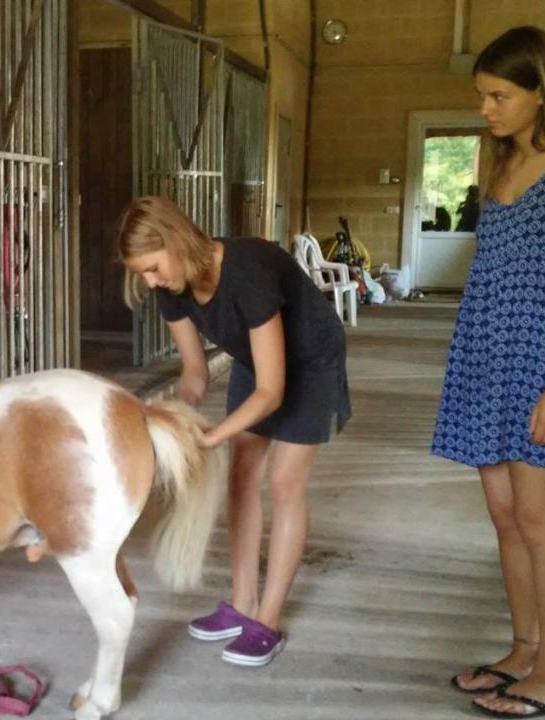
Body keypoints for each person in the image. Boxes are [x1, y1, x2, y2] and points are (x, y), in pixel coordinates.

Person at [432, 26, 545, 718]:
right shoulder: (501, 162)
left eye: (499, 96)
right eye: (483, 95)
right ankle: (523, 650)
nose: (486, 109)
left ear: (542, 93)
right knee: (507, 518)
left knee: (544, 522)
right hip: (487, 357)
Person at [118, 196, 350, 668]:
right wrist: (167, 424)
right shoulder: (171, 287)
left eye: (153, 267)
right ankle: (242, 604)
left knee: (285, 483)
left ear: (175, 241)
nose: (150, 280)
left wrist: (210, 437)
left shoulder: (248, 272)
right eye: (142, 272)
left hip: (310, 359)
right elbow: (196, 375)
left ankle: (266, 619)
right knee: (241, 479)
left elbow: (271, 392)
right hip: (257, 360)